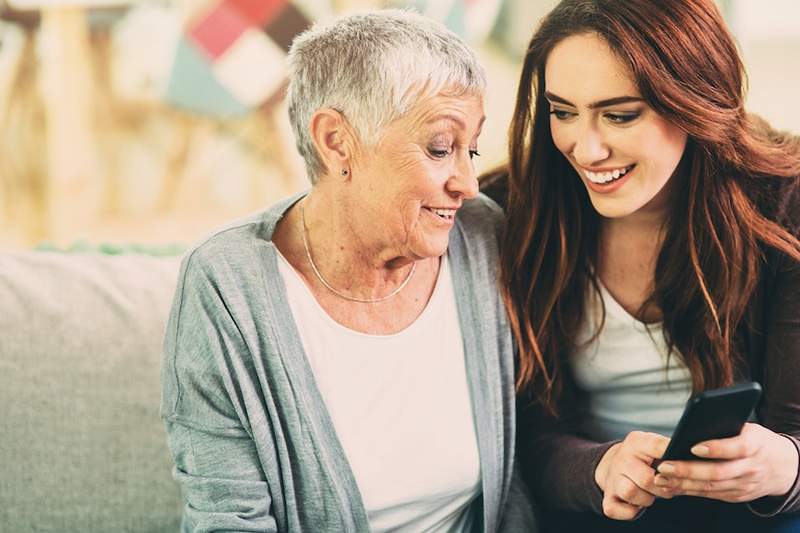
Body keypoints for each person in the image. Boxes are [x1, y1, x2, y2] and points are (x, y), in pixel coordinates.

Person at [160, 9, 536, 533]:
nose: (468, 183)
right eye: (440, 148)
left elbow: (529, 454)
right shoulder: (226, 286)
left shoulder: (479, 238)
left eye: (470, 150)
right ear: (337, 141)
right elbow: (229, 518)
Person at [481, 0, 800, 531]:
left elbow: (795, 429)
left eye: (620, 115)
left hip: (755, 514)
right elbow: (522, 435)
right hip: (590, 504)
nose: (584, 148)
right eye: (562, 112)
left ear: (695, 101)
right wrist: (598, 467)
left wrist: (783, 467)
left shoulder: (785, 199)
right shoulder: (514, 207)